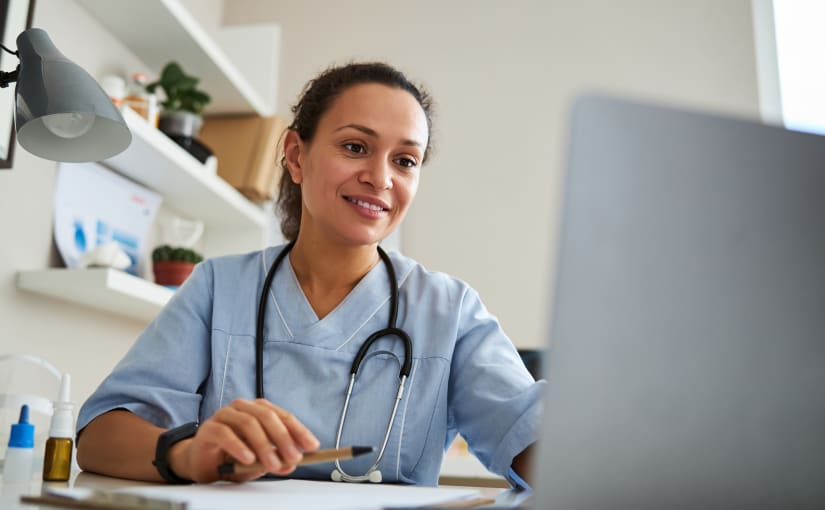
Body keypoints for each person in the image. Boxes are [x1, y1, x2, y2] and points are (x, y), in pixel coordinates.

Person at [75, 62, 545, 487]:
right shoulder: (219, 287)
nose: (381, 178)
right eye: (355, 147)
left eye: (405, 160)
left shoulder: (450, 311)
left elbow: (535, 443)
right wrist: (188, 453)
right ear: (297, 157)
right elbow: (99, 436)